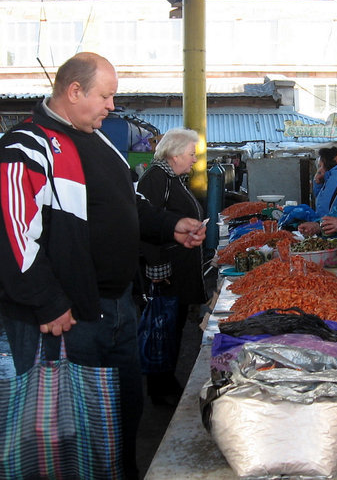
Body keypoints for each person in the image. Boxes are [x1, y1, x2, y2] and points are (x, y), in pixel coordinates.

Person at [0, 52, 205, 480]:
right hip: (68, 318)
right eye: (106, 96)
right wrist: (48, 301)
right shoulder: (28, 146)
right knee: (70, 431)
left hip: (116, 309)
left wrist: (173, 226)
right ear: (74, 91)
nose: (112, 106)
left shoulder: (100, 142)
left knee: (121, 414)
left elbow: (132, 204)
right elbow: (13, 234)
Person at [137, 127, 208, 406]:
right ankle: (160, 387)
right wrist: (158, 268)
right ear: (176, 153)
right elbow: (146, 224)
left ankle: (166, 380)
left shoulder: (172, 177)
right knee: (162, 329)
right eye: (191, 154)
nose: (193, 160)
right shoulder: (156, 178)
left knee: (173, 327)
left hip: (178, 266)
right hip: (166, 272)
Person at [312, 146, 337, 217]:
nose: (319, 170)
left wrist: (317, 223)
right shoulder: (329, 177)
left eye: (320, 166)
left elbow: (324, 208)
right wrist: (318, 184)